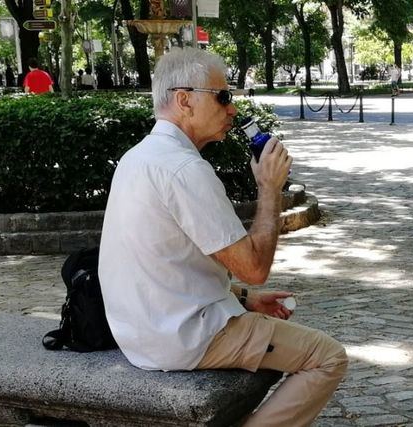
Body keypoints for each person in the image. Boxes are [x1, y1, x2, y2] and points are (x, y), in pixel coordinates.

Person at [99, 47, 348, 426]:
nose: (232, 108)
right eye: (223, 96)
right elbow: (254, 267)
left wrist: (246, 299)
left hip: (140, 333)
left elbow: (172, 266)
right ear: (184, 100)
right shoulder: (185, 170)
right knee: (328, 357)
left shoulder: (138, 157)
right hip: (184, 339)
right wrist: (269, 188)